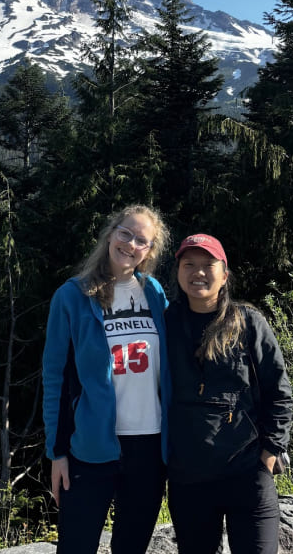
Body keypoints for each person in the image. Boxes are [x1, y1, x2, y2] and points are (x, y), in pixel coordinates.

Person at [42, 205, 171, 554]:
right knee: (76, 547)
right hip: (90, 447)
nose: (130, 244)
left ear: (150, 250)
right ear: (111, 233)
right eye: (125, 233)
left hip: (149, 448)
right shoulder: (72, 295)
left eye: (141, 240)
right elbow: (54, 377)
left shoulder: (155, 293)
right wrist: (57, 452)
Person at [166, 233, 293, 554]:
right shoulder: (165, 323)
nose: (198, 272)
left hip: (247, 472)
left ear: (224, 274)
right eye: (189, 264)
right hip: (188, 478)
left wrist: (270, 451)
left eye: (208, 265)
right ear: (178, 271)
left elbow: (279, 391)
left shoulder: (248, 322)